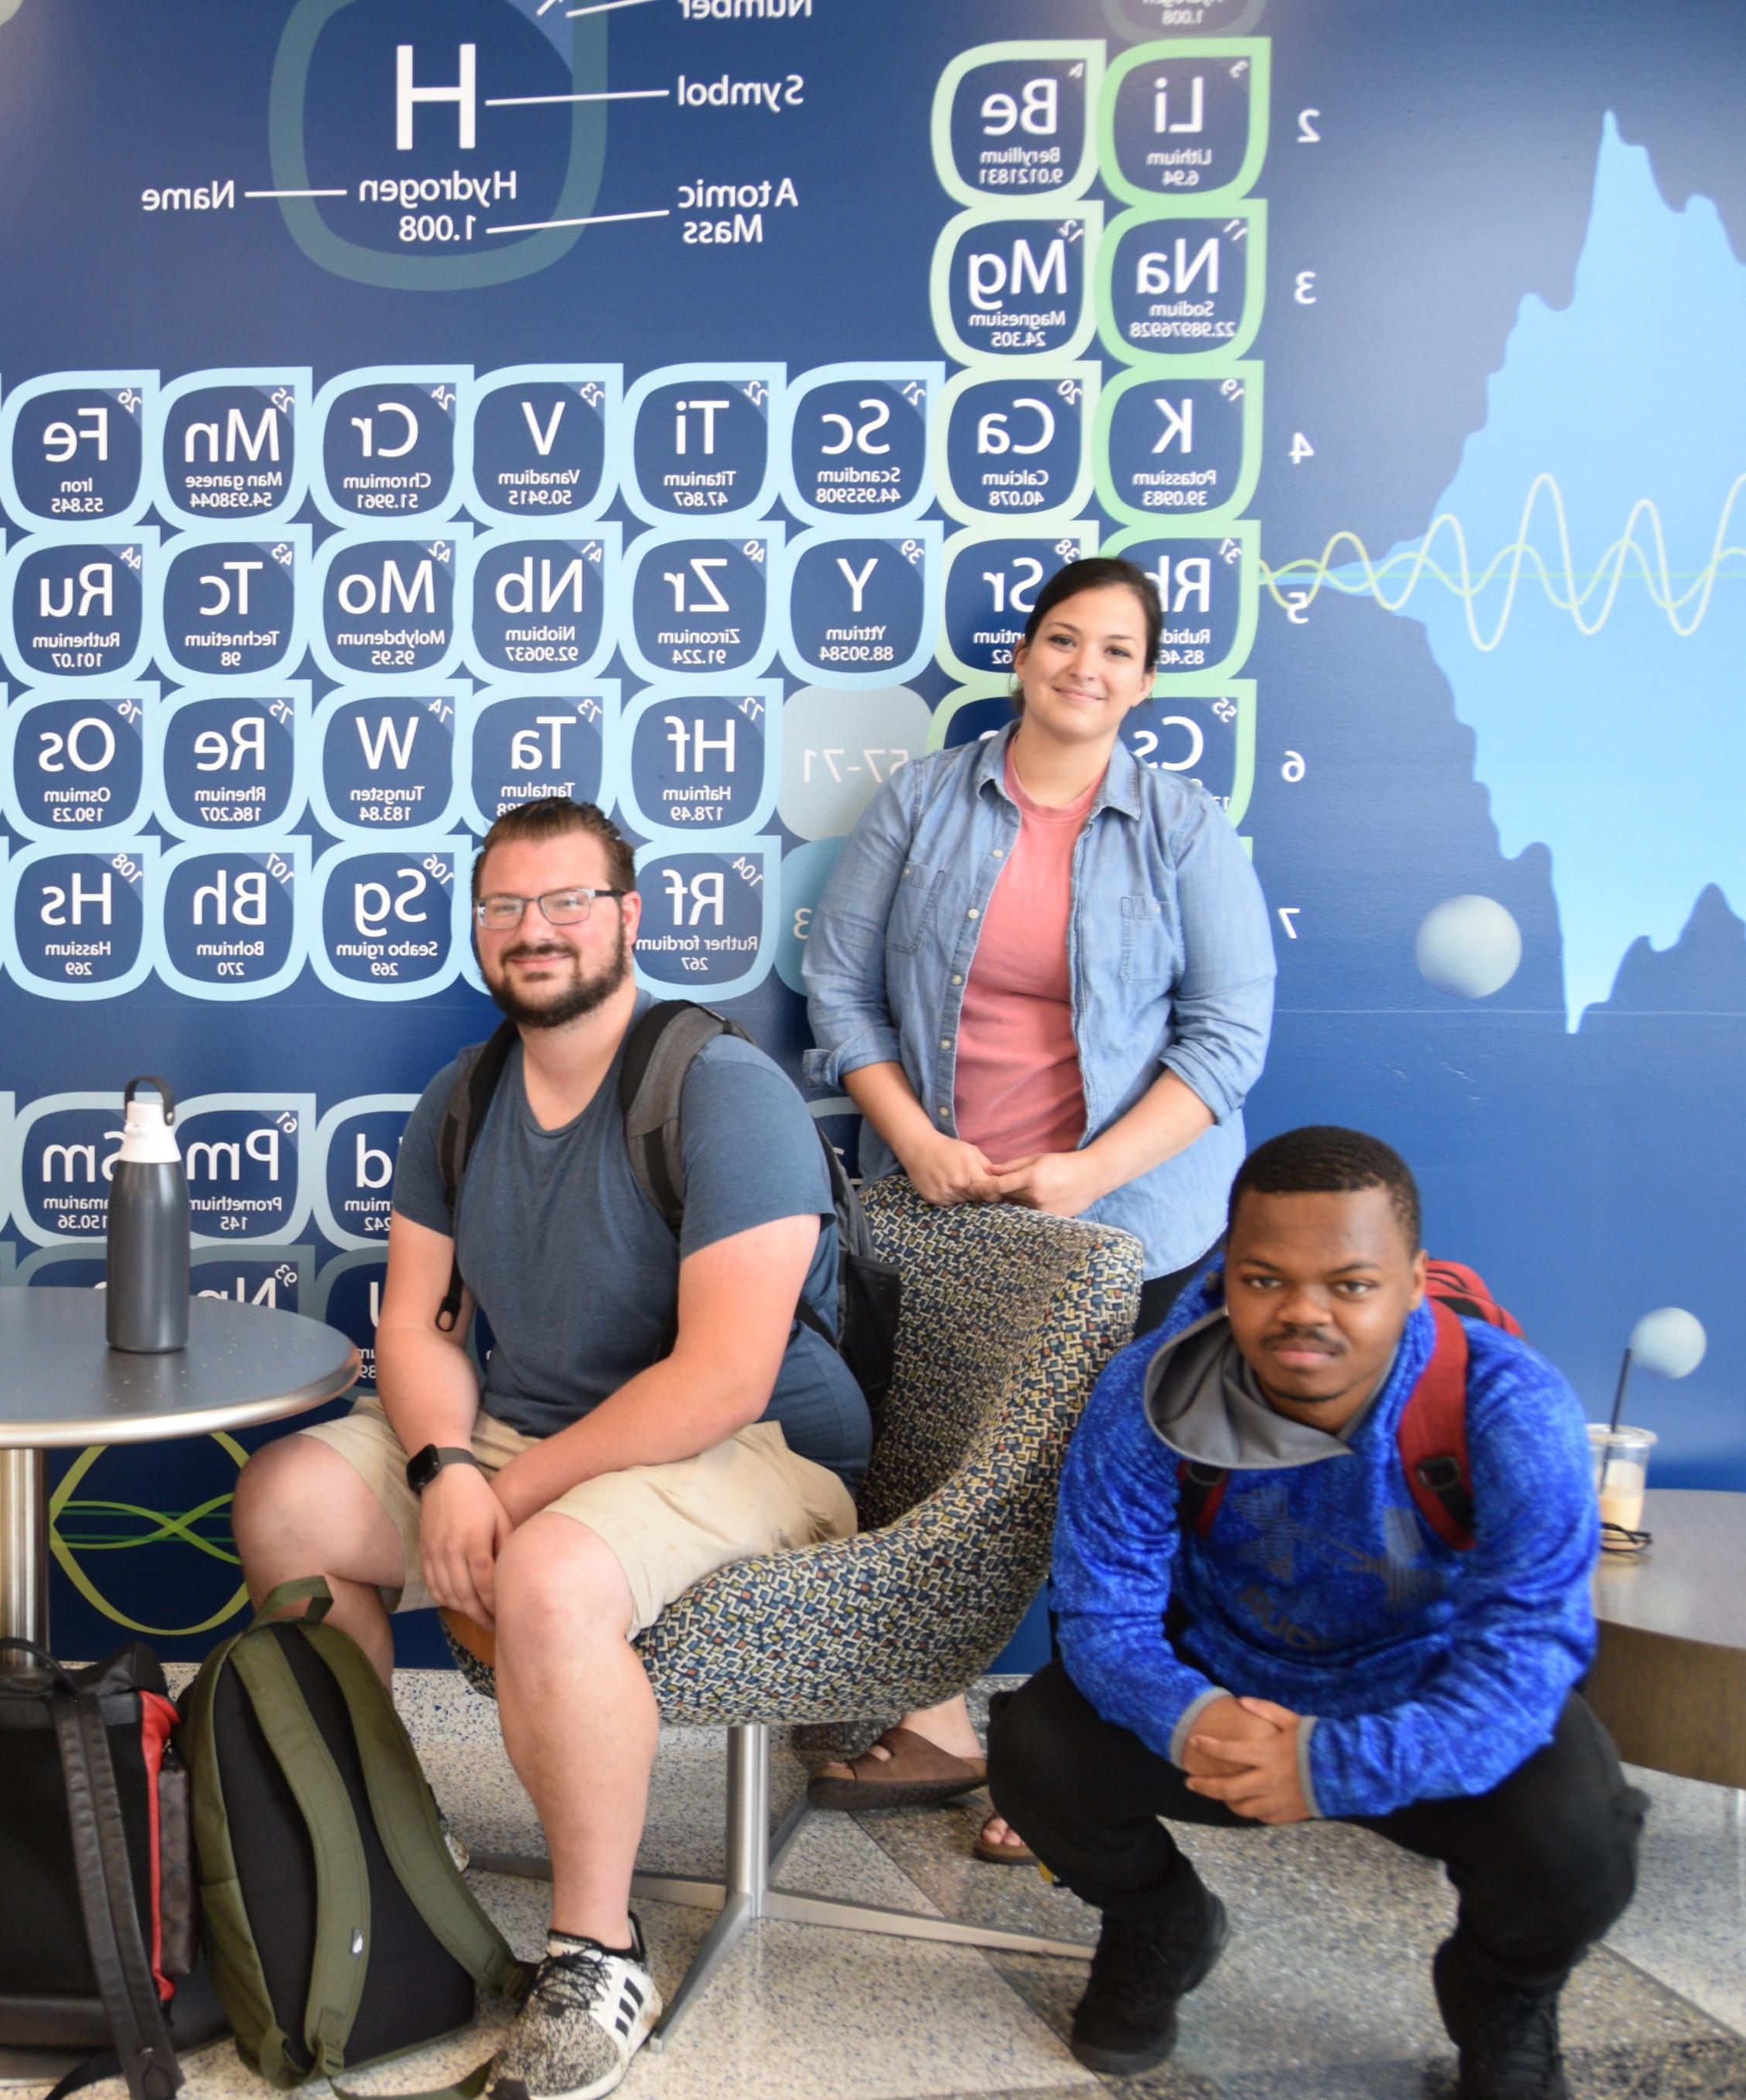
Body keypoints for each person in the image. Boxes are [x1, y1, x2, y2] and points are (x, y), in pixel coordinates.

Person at [231, 798, 868, 2100]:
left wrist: (503, 1495)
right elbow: (409, 1324)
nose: (536, 930)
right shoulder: (460, 1097)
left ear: (629, 918)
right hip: (527, 1430)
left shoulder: (719, 1088)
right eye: (506, 907)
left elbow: (720, 1376)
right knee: (287, 1500)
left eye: (567, 901)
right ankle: (395, 1849)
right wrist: (443, 1470)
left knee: (551, 1575)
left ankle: (597, 1948)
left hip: (749, 1444)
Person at [988, 1127, 1640, 2100]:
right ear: (1222, 1277)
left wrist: (1326, 1764)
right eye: (1262, 1280)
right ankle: (1158, 1922)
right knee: (1034, 1746)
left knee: (1579, 1836)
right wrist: (1194, 1717)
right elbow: (1099, 1614)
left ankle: (1502, 1997)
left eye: (1349, 1284)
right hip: (1225, 1692)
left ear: (1413, 1280)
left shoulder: (1507, 1402)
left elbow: (1527, 1661)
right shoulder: (1151, 1391)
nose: (1302, 1313)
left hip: (1430, 1700)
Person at [800, 556, 1274, 1854]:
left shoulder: (1180, 825)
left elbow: (1228, 1039)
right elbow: (838, 994)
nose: (1083, 668)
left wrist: (1088, 1174)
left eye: (1114, 650)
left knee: (1110, 1498)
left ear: (1144, 678)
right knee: (932, 1471)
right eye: (1063, 640)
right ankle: (940, 1728)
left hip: (1135, 1226)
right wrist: (913, 1138)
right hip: (947, 1212)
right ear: (1021, 655)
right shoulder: (924, 801)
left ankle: (1085, 1767)